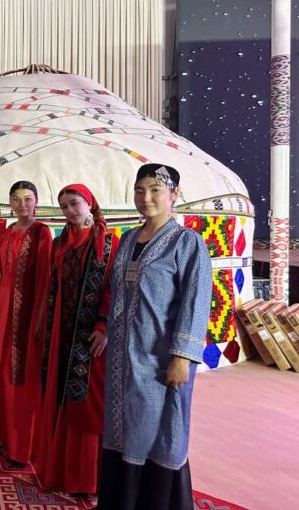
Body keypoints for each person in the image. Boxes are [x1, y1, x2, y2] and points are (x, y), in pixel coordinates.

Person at [97, 164, 212, 510]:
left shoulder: (187, 242)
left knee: (159, 429)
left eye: (155, 190)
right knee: (121, 427)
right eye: (140, 190)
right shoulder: (128, 238)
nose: (146, 198)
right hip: (123, 356)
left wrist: (182, 356)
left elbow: (196, 301)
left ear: (174, 194)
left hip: (161, 357)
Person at [34, 183, 118, 494]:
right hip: (61, 332)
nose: (70, 211)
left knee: (86, 404)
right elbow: (52, 285)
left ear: (89, 203)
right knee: (61, 398)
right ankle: (61, 473)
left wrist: (104, 325)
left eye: (74, 204)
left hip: (91, 334)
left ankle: (89, 478)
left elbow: (114, 287)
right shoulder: (60, 242)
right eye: (64, 206)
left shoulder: (109, 242)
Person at [0, 180, 52, 465]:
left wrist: (39, 318)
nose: (22, 204)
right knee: (3, 371)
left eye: (27, 198)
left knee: (23, 374)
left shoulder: (41, 232)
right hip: (5, 308)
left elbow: (45, 277)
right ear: (10, 203)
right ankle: (4, 435)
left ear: (36, 201)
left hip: (28, 310)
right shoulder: (9, 230)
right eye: (16, 199)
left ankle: (23, 446)